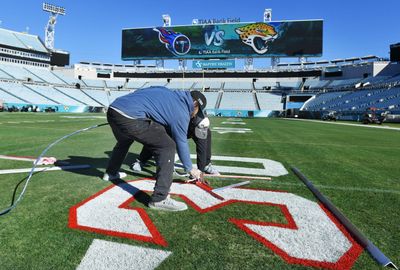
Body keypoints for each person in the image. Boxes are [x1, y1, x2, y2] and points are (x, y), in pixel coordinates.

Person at [103, 86, 206, 211]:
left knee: (125, 140)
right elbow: (181, 142)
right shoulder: (182, 111)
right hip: (129, 116)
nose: (194, 116)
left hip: (114, 108)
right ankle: (159, 198)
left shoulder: (168, 92)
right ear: (195, 105)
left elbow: (138, 92)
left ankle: (111, 173)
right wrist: (190, 169)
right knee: (167, 146)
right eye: (197, 112)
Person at [131, 112, 220, 176]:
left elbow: (202, 148)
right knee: (157, 138)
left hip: (192, 126)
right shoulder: (180, 117)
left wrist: (200, 171)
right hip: (176, 126)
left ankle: (206, 165)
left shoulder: (202, 125)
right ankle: (141, 160)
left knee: (206, 138)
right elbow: (180, 143)